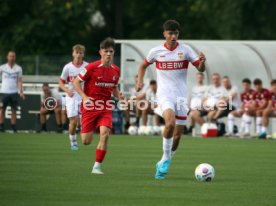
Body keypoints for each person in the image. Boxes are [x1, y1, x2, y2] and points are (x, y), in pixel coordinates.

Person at [136, 20, 206, 180]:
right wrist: (139, 80)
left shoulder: (186, 50)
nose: (173, 36)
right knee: (170, 123)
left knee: (177, 135)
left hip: (181, 95)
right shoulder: (156, 51)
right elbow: (142, 66)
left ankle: (164, 159)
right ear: (164, 34)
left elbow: (200, 68)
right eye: (170, 33)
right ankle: (166, 159)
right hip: (164, 94)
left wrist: (202, 62)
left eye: (176, 33)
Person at [73, 37, 124, 174]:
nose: (108, 54)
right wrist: (84, 97)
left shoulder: (116, 70)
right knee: (86, 141)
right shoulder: (91, 67)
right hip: (89, 107)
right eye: (106, 51)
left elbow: (114, 87)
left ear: (113, 53)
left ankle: (97, 166)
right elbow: (76, 82)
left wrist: (119, 95)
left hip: (105, 106)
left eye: (111, 51)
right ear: (100, 52)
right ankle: (84, 127)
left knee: (105, 134)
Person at [59, 44, 89, 150]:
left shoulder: (87, 66)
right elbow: (61, 82)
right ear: (73, 53)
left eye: (80, 53)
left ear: (83, 54)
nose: (78, 55)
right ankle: (73, 142)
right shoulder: (68, 67)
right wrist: (67, 90)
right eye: (77, 53)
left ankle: (82, 137)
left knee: (81, 123)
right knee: (73, 121)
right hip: (71, 97)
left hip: (83, 96)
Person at [0, 51, 25, 132]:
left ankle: (13, 126)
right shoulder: (2, 67)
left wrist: (21, 92)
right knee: (2, 109)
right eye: (10, 56)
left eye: (13, 56)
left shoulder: (18, 68)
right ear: (7, 57)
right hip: (4, 92)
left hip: (14, 92)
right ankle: (1, 126)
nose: (12, 58)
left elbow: (19, 81)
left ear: (15, 57)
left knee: (14, 110)